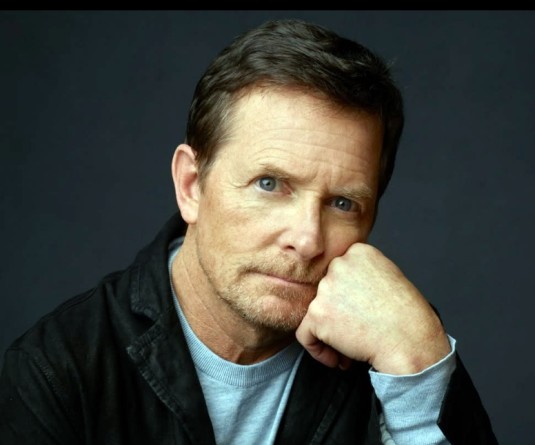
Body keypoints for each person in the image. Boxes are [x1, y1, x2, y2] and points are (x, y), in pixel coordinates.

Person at [0, 18, 498, 444]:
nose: (307, 239)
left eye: (343, 203)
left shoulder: (399, 343)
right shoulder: (56, 371)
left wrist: (419, 363)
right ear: (191, 185)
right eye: (269, 184)